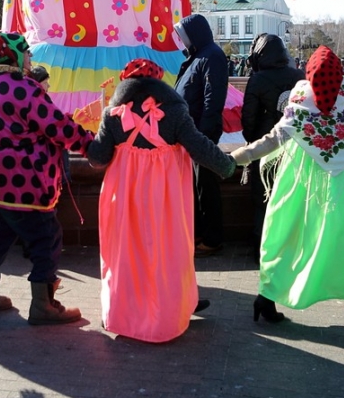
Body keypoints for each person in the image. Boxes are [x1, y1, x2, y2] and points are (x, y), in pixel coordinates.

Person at [231, 46, 344, 325]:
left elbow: (275, 138)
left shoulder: (300, 95)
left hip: (301, 179)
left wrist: (237, 158)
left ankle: (266, 299)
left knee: (287, 234)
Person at [88, 59, 236, 342]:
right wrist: (227, 166)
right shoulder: (175, 112)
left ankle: (124, 314)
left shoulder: (113, 114)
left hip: (124, 197)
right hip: (164, 197)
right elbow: (200, 147)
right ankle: (170, 311)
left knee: (126, 254)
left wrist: (79, 138)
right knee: (167, 252)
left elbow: (98, 158)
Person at [0, 32, 93, 324]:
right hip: (27, 180)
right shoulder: (24, 88)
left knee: (2, 233)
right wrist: (89, 144)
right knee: (47, 237)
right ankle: (44, 304)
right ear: (15, 55)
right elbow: (57, 126)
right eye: (28, 54)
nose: (30, 59)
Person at [240, 34, 304, 260]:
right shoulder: (299, 76)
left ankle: (262, 247)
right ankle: (292, 245)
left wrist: (252, 138)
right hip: (295, 146)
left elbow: (248, 118)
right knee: (291, 195)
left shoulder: (257, 79)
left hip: (265, 145)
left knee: (262, 197)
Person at [173, 14, 228, 257]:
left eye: (184, 36)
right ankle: (198, 233)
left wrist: (203, 135)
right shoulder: (198, 56)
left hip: (201, 134)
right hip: (192, 133)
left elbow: (212, 98)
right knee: (195, 186)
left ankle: (212, 237)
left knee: (205, 185)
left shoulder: (212, 56)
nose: (182, 41)